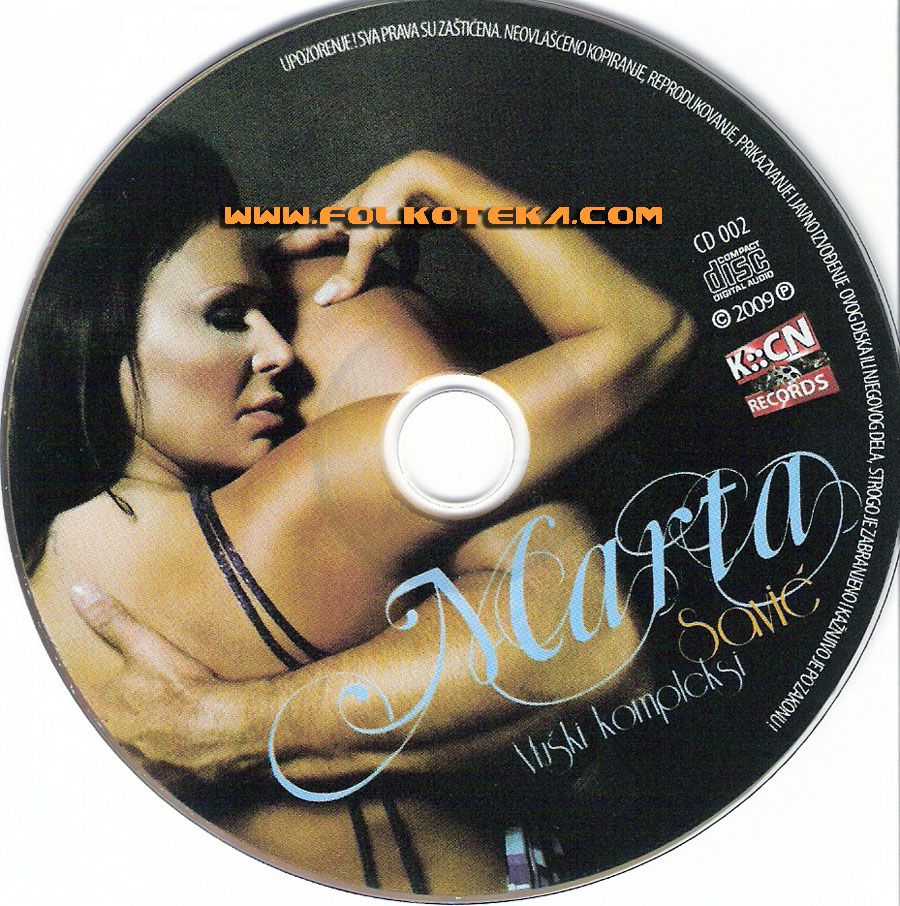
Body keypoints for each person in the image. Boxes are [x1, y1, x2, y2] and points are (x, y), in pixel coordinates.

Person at [10, 128, 695, 893]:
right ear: (95, 332)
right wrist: (434, 178)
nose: (279, 351)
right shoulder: (301, 500)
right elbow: (646, 335)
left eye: (268, 311)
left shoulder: (42, 591)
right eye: (227, 316)